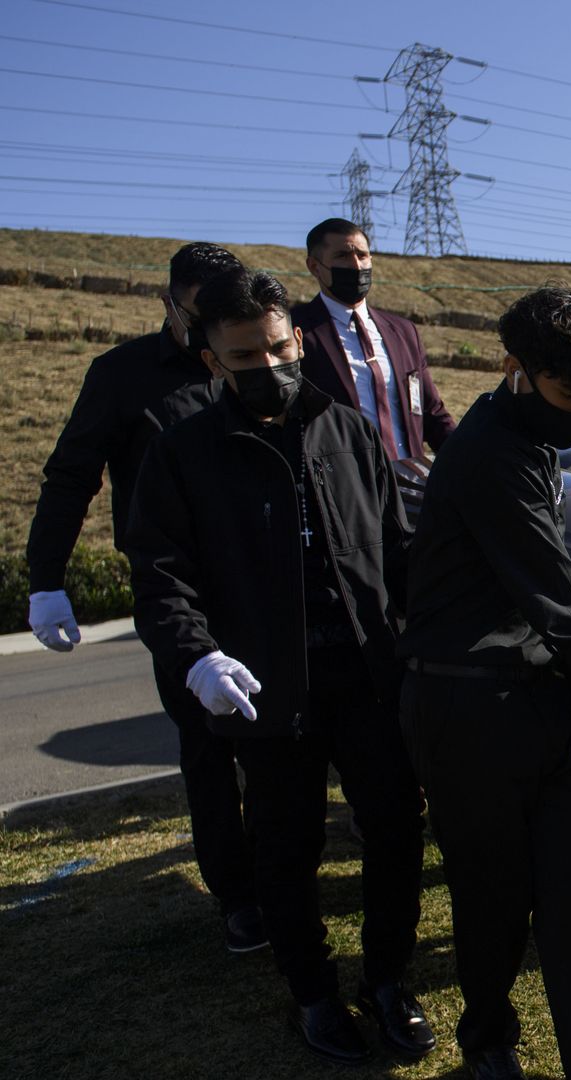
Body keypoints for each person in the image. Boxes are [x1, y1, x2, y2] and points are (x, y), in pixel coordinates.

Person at [124, 269, 431, 1065]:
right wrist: (199, 658)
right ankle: (313, 990)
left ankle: (390, 977)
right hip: (268, 691)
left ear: (296, 337)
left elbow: (399, 552)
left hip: (367, 677)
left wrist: (425, 640)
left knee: (396, 830)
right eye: (243, 355)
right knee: (284, 850)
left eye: (276, 346)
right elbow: (161, 577)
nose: (268, 365)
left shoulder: (350, 432)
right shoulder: (184, 451)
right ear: (213, 360)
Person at [400, 287, 571, 1079]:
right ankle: (489, 1041)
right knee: (491, 897)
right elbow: (560, 595)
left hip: (538, 698)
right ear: (516, 369)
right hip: (469, 708)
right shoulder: (491, 456)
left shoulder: (523, 435)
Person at [24, 242, 264, 953]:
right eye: (200, 317)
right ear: (169, 303)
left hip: (271, 580)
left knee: (287, 741)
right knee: (208, 748)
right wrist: (45, 580)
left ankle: (286, 872)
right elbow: (71, 478)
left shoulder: (262, 363)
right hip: (183, 595)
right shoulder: (123, 377)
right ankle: (238, 893)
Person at [292, 218, 453, 477]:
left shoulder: (403, 332)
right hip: (343, 483)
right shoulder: (298, 331)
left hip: (409, 482)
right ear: (314, 266)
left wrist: (466, 460)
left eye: (363, 255)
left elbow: (432, 412)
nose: (356, 265)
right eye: (343, 256)